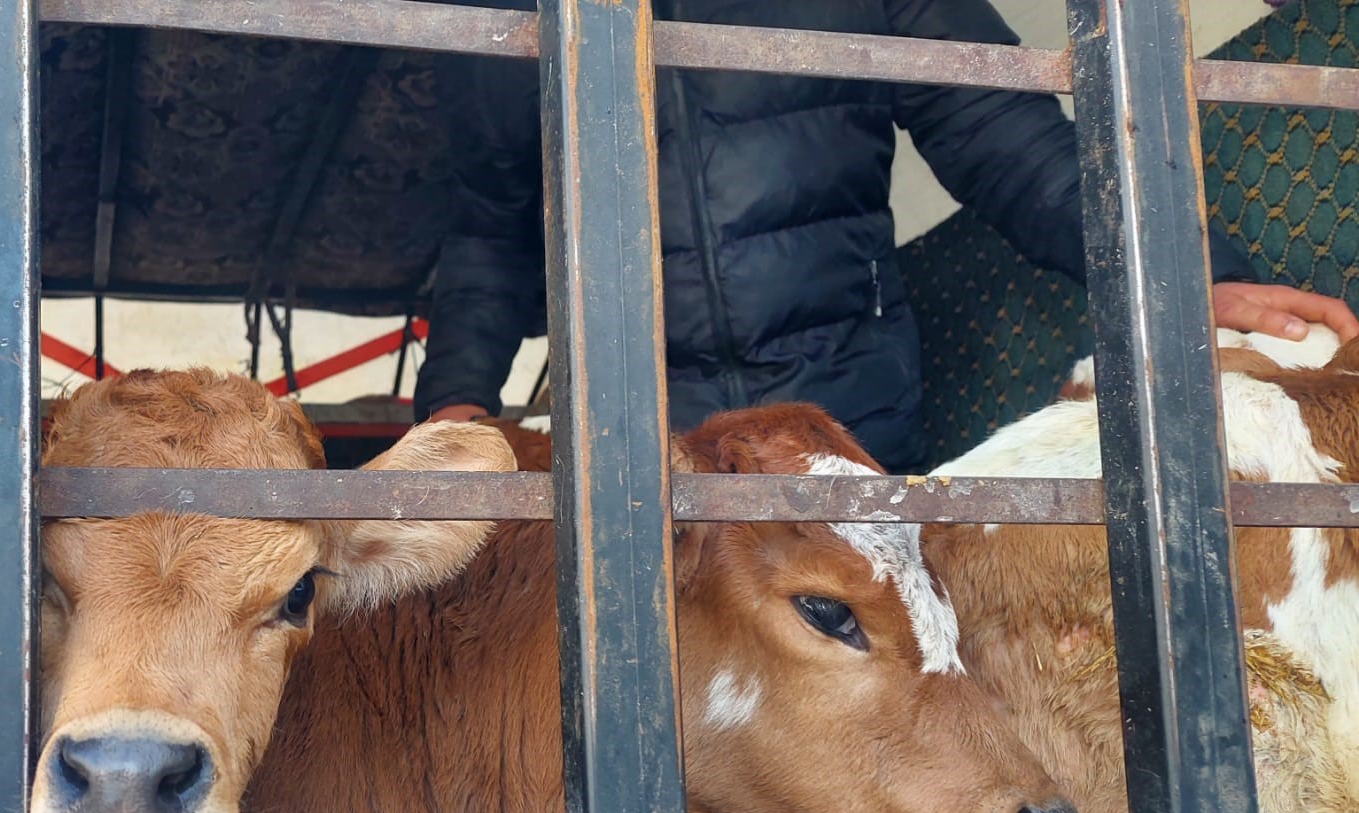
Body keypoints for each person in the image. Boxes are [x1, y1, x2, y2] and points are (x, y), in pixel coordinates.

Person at [413, 0, 1359, 473]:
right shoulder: (510, 18)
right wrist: (455, 404)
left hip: (848, 423)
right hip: (634, 446)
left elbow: (1007, 139)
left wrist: (1195, 278)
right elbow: (491, 229)